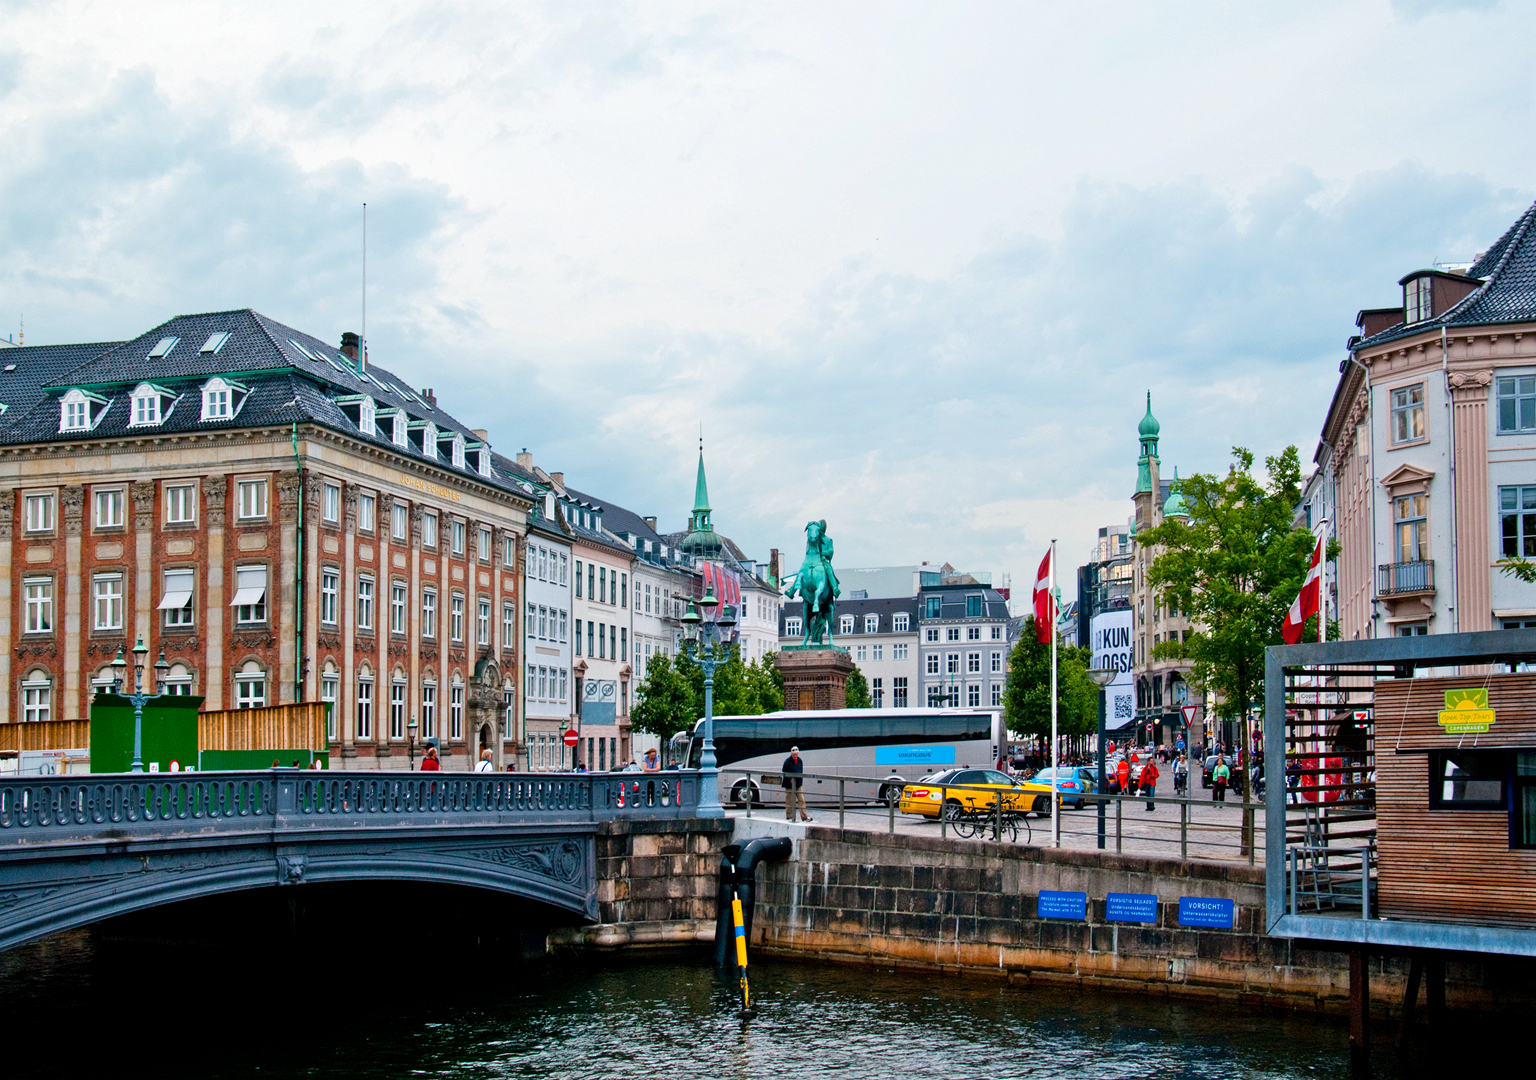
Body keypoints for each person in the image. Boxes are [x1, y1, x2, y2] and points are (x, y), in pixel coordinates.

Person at [782, 746, 809, 822]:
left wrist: (800, 781)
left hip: (798, 784)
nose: (795, 756)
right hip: (789, 785)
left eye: (796, 754)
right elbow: (784, 772)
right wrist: (790, 779)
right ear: (791, 754)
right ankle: (790, 817)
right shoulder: (787, 761)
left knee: (801, 800)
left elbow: (800, 771)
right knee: (790, 801)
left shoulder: (800, 761)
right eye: (794, 754)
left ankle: (804, 817)